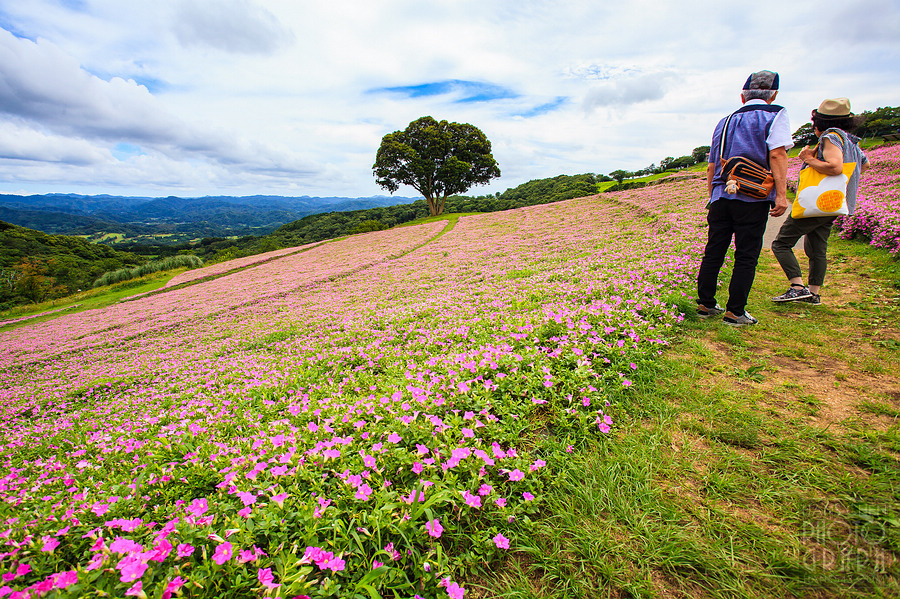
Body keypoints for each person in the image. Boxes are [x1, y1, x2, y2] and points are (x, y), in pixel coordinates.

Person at [696, 70, 791, 326]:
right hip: (752, 196)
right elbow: (778, 155)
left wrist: (713, 196)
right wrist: (781, 196)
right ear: (773, 95)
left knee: (714, 250)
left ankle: (705, 303)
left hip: (721, 194)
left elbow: (712, 166)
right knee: (746, 254)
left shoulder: (724, 121)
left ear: (742, 96)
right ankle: (735, 312)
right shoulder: (775, 114)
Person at [770, 98, 868, 305]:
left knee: (781, 244)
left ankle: (797, 287)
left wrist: (808, 159)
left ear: (819, 122)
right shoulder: (851, 141)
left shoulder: (830, 137)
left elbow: (835, 167)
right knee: (816, 248)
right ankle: (813, 293)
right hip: (835, 203)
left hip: (817, 203)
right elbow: (865, 165)